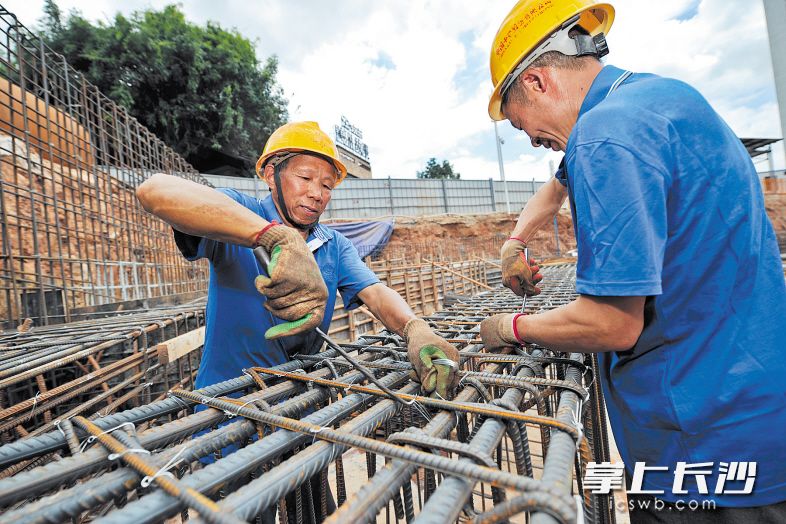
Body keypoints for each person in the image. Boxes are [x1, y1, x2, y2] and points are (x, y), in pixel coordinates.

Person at [479, 1, 786, 522]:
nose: (530, 140)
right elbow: (555, 188)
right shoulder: (658, 99)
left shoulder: (605, 134)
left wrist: (510, 327)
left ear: (536, 82)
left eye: (518, 122)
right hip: (753, 410)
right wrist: (515, 242)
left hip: (700, 440)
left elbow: (612, 323)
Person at [136, 121, 459, 521]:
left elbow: (376, 293)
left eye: (327, 185)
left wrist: (415, 328)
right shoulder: (240, 214)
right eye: (305, 178)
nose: (317, 193)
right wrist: (272, 236)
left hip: (299, 406)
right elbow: (154, 191)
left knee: (313, 511)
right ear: (271, 173)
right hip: (228, 412)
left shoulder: (334, 244)